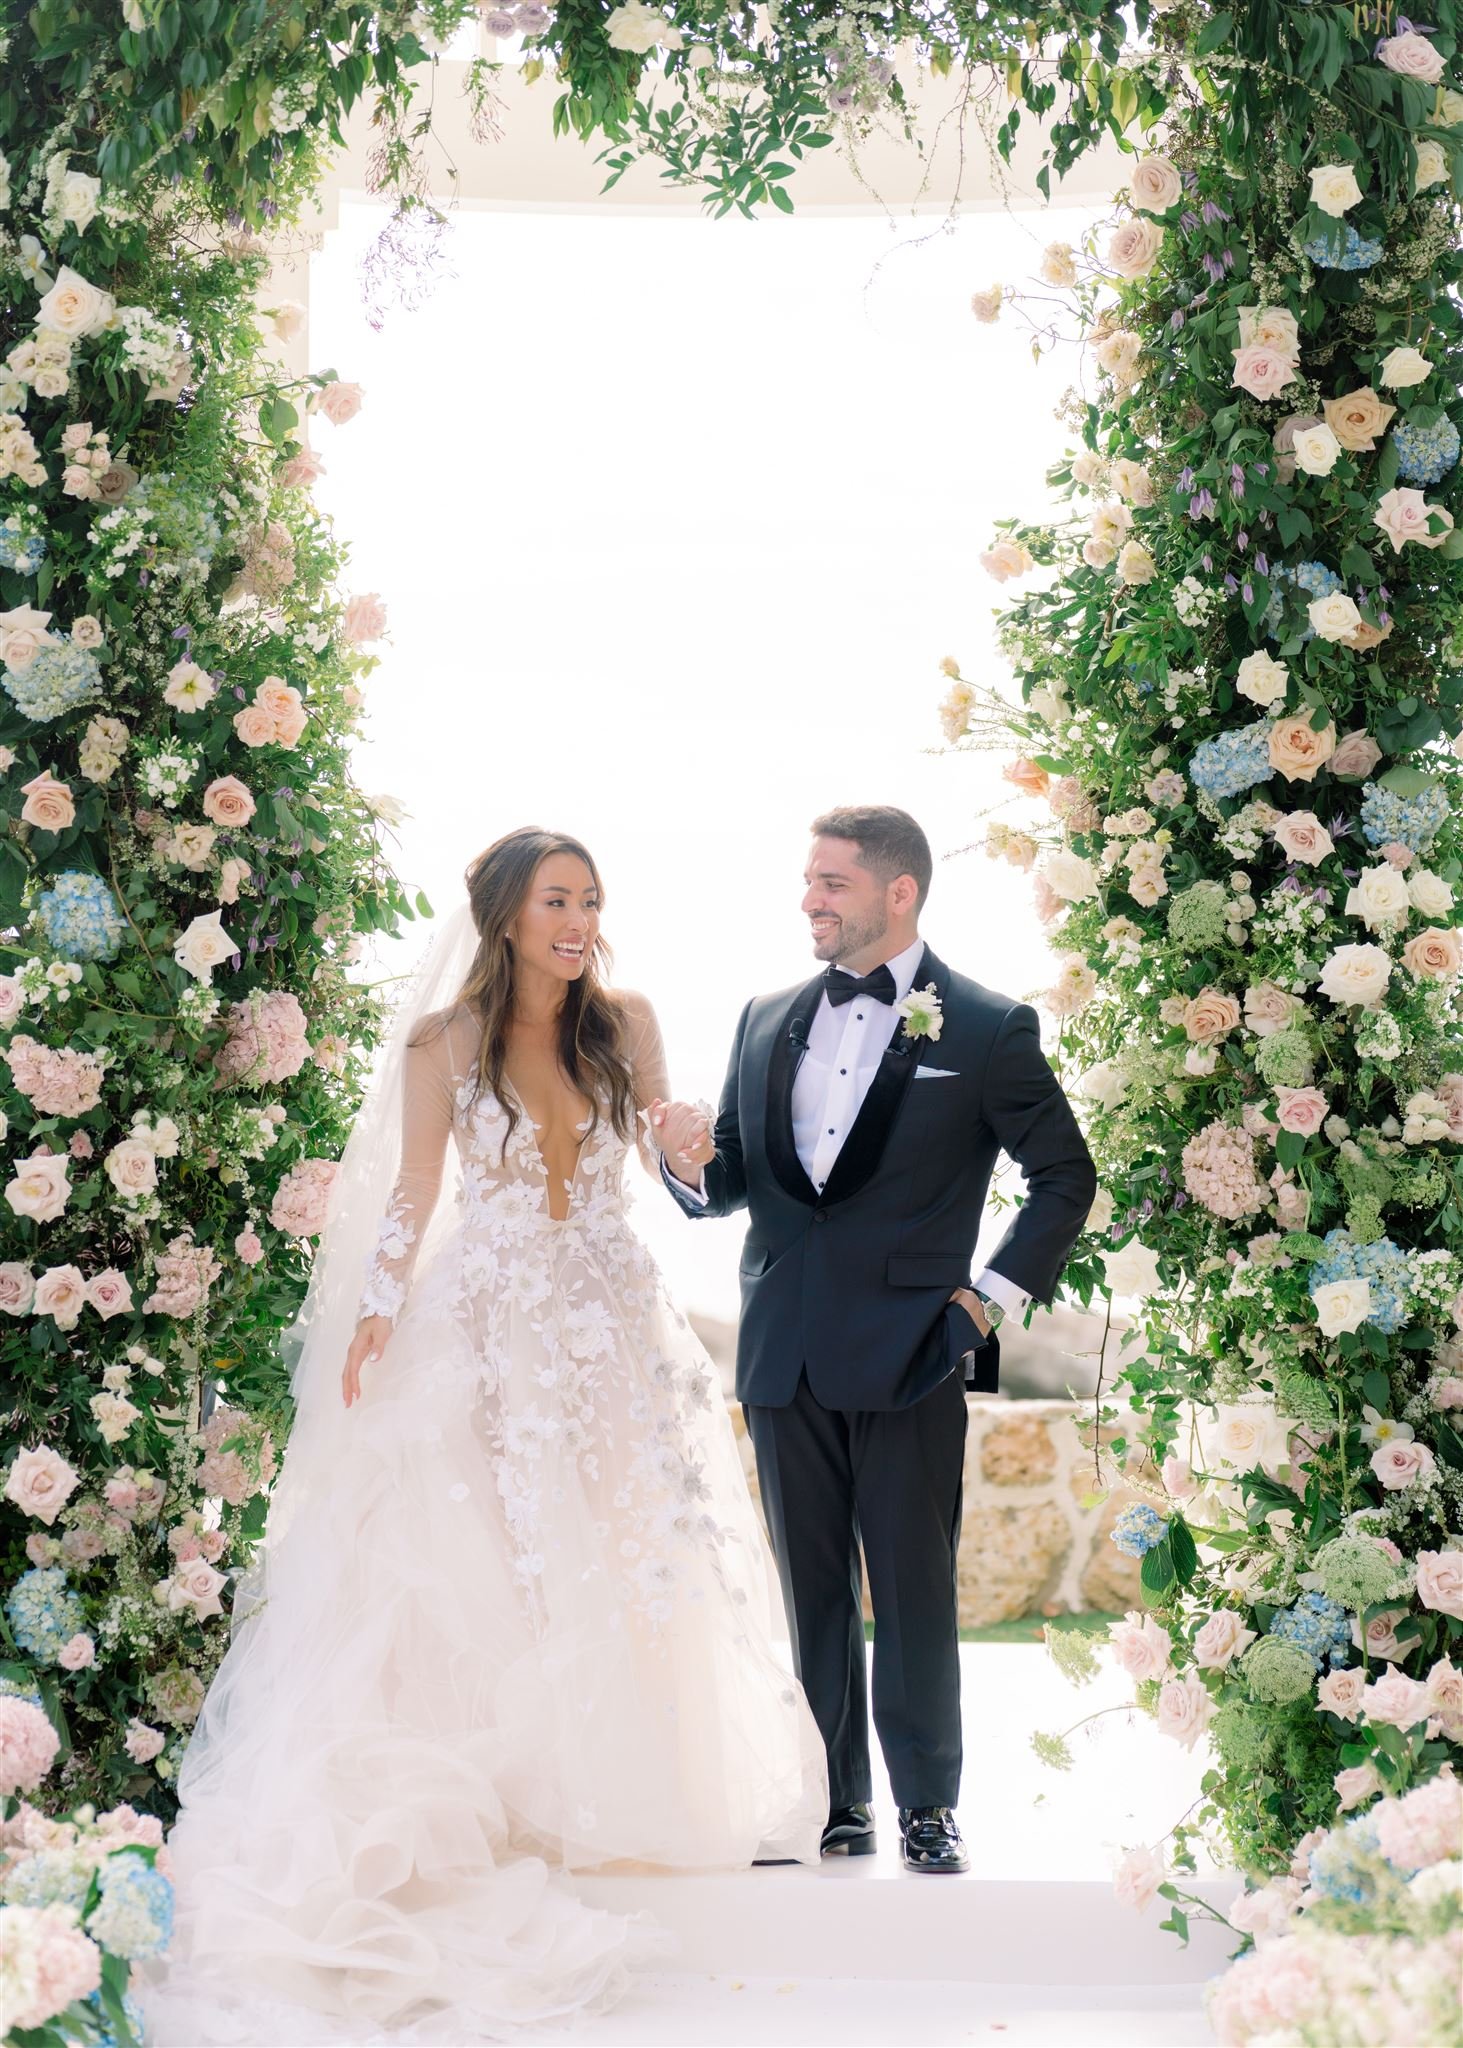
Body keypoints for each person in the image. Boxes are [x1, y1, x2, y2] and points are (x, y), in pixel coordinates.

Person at [146, 827, 827, 2047]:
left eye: (590, 899)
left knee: (630, 1541)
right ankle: (508, 1791)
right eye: (555, 899)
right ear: (505, 913)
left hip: (611, 1318)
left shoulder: (624, 1021)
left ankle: (622, 1786)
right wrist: (372, 1315)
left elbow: (683, 1157)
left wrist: (685, 1147)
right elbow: (413, 1191)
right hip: (491, 1319)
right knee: (494, 1550)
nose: (577, 919)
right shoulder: (441, 1041)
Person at [653, 805, 1096, 1876]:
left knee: (909, 1588)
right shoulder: (763, 1016)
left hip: (912, 1349)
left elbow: (1062, 1178)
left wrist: (978, 1302)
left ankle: (926, 1806)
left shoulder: (988, 1027)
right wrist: (679, 1161)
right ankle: (829, 1798)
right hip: (780, 1349)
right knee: (806, 1593)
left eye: (832, 882)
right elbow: (737, 1186)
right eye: (807, 880)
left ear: (898, 892)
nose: (810, 898)